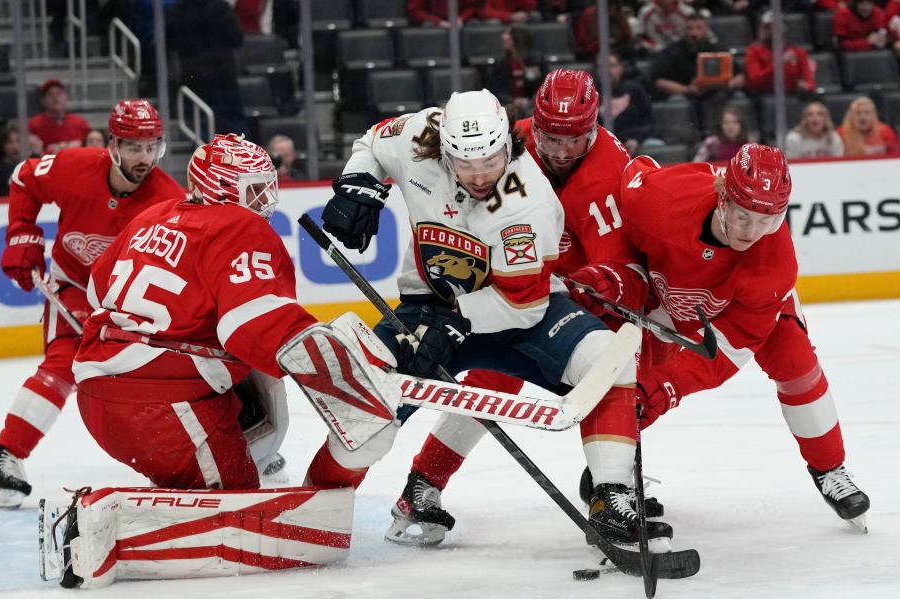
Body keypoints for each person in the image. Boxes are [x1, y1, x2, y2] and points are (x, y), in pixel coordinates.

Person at [56, 134, 411, 589]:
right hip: (162, 410)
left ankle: (189, 485)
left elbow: (98, 291)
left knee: (251, 394)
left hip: (102, 393)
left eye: (267, 186)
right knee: (246, 519)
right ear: (222, 188)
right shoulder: (240, 227)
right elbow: (254, 324)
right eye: (253, 189)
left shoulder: (152, 214)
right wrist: (336, 370)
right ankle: (107, 525)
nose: (265, 199)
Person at [321, 87, 671, 548]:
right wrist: (360, 183)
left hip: (517, 310)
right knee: (369, 401)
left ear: (508, 143)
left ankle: (611, 497)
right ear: (443, 149)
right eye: (465, 164)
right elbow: (373, 143)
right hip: (428, 304)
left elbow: (521, 303)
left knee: (608, 360)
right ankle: (317, 504)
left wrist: (456, 321)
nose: (480, 175)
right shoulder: (419, 135)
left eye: (490, 161)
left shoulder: (527, 200)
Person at [574, 143, 871, 530]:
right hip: (668, 295)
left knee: (796, 364)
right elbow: (629, 180)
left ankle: (830, 469)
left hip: (744, 311)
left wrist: (666, 387)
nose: (754, 233)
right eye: (745, 216)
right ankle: (611, 472)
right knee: (628, 380)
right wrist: (616, 274)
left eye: (769, 220)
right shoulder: (660, 198)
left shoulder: (773, 262)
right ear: (721, 193)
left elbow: (729, 349)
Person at [0, 100, 187, 509]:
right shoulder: (73, 166)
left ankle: (218, 445)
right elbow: (23, 178)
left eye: (151, 148)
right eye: (133, 148)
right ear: (113, 144)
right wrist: (21, 233)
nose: (144, 159)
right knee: (62, 362)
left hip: (123, 302)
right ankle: (5, 459)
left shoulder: (167, 202)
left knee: (153, 378)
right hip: (72, 284)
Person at [650, 14, 746, 132]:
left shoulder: (718, 50)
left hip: (718, 94)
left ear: (706, 29)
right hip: (686, 93)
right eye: (690, 28)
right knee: (678, 101)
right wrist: (686, 89)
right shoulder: (672, 52)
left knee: (728, 97)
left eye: (699, 28)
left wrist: (730, 84)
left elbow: (740, 75)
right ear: (684, 30)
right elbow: (659, 81)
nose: (694, 33)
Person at [166, 0, 248, 136]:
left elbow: (170, 43)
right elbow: (237, 38)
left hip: (194, 79)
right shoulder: (221, 7)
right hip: (224, 77)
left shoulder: (177, 12)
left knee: (201, 129)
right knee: (234, 125)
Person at [744, 10, 815, 96]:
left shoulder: (798, 52)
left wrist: (806, 86)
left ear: (784, 27)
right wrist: (779, 63)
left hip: (793, 94)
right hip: (765, 95)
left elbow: (809, 80)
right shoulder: (753, 51)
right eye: (768, 27)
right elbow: (755, 80)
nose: (773, 30)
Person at [608, 53, 661, 156]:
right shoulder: (591, 93)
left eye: (612, 66)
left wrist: (636, 139)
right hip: (608, 144)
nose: (607, 71)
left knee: (654, 145)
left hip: (636, 139)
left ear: (620, 68)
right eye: (602, 66)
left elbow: (649, 122)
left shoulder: (634, 89)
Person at [485, 24, 543, 114]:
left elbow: (541, 88)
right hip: (507, 104)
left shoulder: (535, 62)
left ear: (517, 39)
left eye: (508, 34)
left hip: (530, 105)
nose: (503, 37)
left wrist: (530, 100)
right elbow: (494, 90)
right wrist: (512, 100)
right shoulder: (501, 64)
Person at [28, 79, 92, 155]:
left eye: (59, 94)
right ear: (43, 101)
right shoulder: (34, 125)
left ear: (66, 98)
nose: (55, 98)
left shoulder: (80, 123)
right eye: (50, 94)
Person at [408, 0, 476, 27]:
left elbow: (471, 6)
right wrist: (439, 22)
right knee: (428, 26)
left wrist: (461, 18)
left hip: (458, 21)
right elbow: (414, 10)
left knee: (474, 25)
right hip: (433, 21)